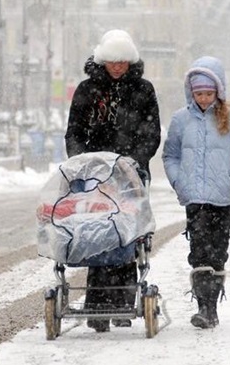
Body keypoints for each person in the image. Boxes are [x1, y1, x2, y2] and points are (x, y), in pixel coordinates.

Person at [64, 29, 161, 333]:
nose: (117, 67)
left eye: (122, 62)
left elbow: (151, 133)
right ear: (103, 61)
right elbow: (75, 131)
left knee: (127, 233)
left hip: (130, 173)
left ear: (129, 62)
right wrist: (83, 161)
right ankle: (97, 304)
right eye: (112, 62)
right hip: (94, 173)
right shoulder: (86, 90)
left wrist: (133, 160)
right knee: (97, 234)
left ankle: (122, 301)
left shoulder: (143, 90)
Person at [162, 56, 230, 329]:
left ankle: (212, 306)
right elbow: (169, 155)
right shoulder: (181, 120)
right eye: (199, 94)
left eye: (208, 93)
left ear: (218, 91)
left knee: (218, 253)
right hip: (194, 198)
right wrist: (177, 181)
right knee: (198, 253)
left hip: (222, 198)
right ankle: (203, 308)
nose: (204, 99)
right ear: (190, 93)